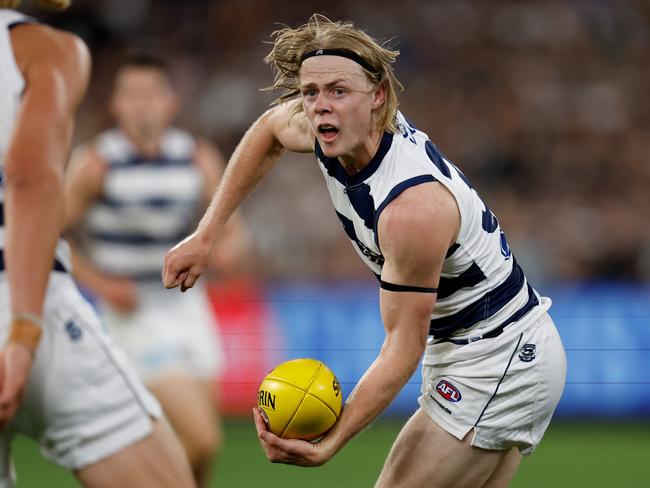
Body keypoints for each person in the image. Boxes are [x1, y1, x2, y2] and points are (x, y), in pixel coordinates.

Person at [163, 14, 567, 488]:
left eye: (338, 90)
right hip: (482, 347)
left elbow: (402, 347)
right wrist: (207, 234)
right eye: (310, 92)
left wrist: (333, 440)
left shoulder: (411, 207)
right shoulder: (331, 130)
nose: (319, 107)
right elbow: (270, 130)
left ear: (377, 96)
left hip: (498, 355)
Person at [0, 2, 197, 487]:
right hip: (24, 297)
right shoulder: (44, 49)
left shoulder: (191, 156)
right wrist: (23, 332)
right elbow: (32, 182)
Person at [63, 53, 240, 486]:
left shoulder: (196, 157)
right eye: (132, 94)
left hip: (187, 307)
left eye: (151, 93)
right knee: (203, 440)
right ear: (116, 104)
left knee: (200, 448)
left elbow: (233, 233)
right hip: (133, 316)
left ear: (170, 101)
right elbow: (52, 235)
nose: (142, 104)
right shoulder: (96, 163)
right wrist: (102, 284)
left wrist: (224, 251)